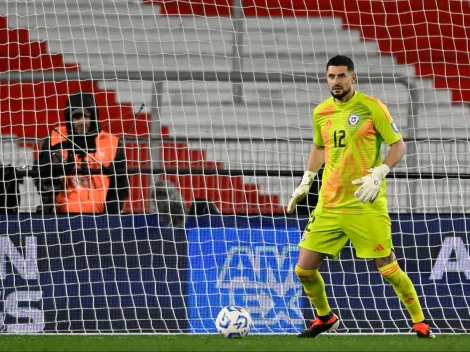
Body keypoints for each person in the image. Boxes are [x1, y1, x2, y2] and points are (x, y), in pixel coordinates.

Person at [287, 55, 435, 339]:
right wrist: (306, 180)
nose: (336, 81)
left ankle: (419, 321)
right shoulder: (321, 112)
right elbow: (319, 147)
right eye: (331, 76)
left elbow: (398, 145)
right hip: (329, 204)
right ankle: (325, 318)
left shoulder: (371, 107)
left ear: (353, 78)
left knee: (388, 268)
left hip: (365, 204)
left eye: (341, 76)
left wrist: (380, 171)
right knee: (304, 270)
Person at [34, 91, 129, 214]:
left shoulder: (113, 143)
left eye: (86, 116)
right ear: (69, 118)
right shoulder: (55, 138)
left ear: (93, 116)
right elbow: (42, 176)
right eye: (77, 117)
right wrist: (49, 204)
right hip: (61, 217)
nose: (82, 121)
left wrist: (111, 214)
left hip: (100, 217)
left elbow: (121, 184)